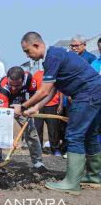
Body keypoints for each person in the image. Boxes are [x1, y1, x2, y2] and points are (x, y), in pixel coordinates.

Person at [17, 31, 101, 194]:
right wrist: (36, 107)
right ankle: (95, 176)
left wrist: (23, 106)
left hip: (86, 94)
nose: (28, 55)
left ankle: (71, 182)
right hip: (95, 92)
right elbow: (52, 90)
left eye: (28, 51)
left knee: (74, 135)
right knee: (90, 134)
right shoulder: (56, 55)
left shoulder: (53, 57)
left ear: (37, 45)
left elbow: (43, 90)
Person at [0, 66, 45, 170]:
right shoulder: (3, 87)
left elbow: (33, 94)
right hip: (2, 107)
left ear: (23, 79)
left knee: (31, 132)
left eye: (18, 85)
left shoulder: (29, 78)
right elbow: (4, 116)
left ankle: (37, 162)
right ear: (8, 79)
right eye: (12, 85)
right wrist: (9, 138)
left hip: (21, 105)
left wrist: (31, 108)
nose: (14, 88)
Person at [33, 70, 63, 156]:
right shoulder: (37, 74)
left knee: (53, 129)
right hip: (39, 106)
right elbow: (33, 90)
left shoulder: (55, 73)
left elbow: (60, 90)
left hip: (53, 105)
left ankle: (55, 149)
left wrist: (60, 104)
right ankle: (38, 149)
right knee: (37, 128)